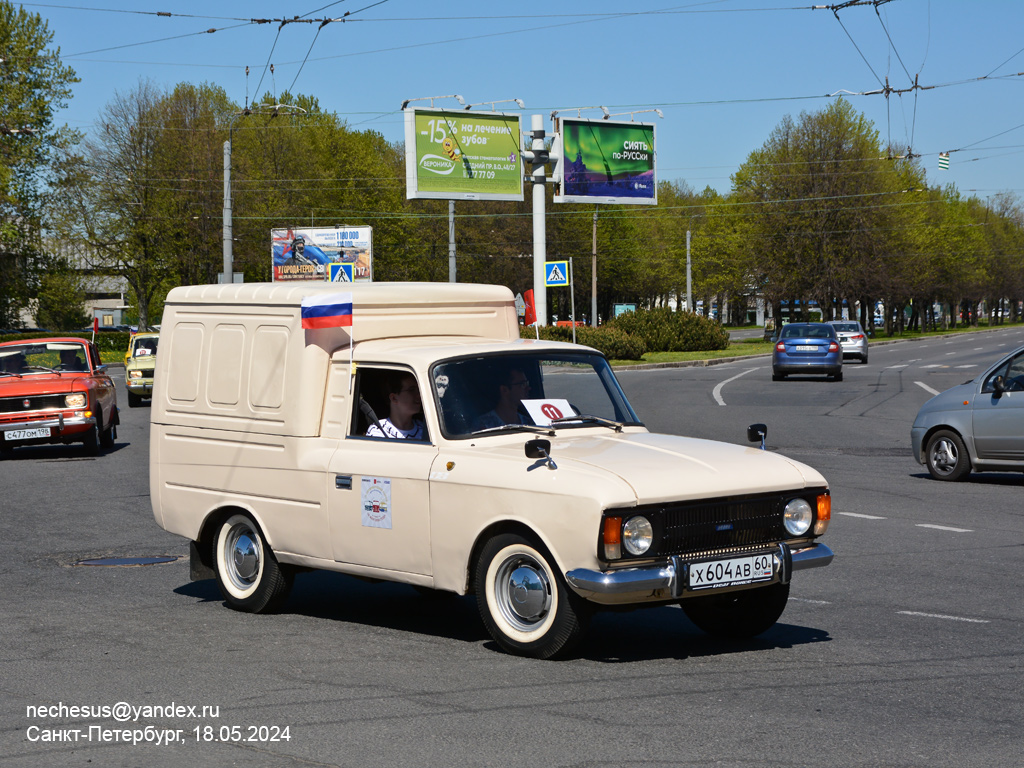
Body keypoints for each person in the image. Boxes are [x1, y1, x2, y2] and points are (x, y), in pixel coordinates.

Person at [365, 372, 427, 440]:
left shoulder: (427, 430)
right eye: (411, 390)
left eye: (418, 390)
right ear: (394, 398)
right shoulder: (378, 431)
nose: (419, 396)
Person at [472, 366, 532, 431]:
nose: (528, 388)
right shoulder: (484, 426)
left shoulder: (529, 423)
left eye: (527, 383)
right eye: (522, 384)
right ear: (504, 390)